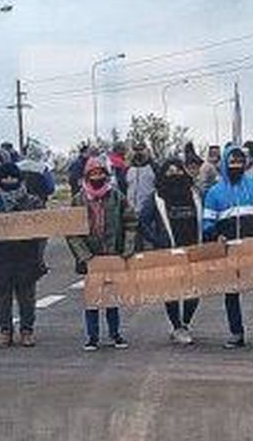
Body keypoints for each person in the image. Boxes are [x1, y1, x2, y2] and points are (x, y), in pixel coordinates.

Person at [202, 145, 253, 349]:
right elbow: (207, 222)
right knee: (231, 291)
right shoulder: (214, 192)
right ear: (226, 164)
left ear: (244, 163)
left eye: (239, 161)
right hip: (229, 249)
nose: (236, 165)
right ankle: (236, 333)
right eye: (232, 162)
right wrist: (215, 235)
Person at [67, 157, 135, 351]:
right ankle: (92, 336)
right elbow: (71, 232)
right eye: (93, 174)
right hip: (90, 257)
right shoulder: (78, 199)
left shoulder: (116, 196)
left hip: (112, 254)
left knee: (112, 297)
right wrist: (84, 255)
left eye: (101, 173)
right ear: (87, 176)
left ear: (106, 175)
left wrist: (127, 247)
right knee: (92, 298)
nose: (97, 176)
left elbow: (130, 221)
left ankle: (115, 334)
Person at [139, 157, 205, 345]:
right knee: (171, 291)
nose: (175, 174)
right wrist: (156, 240)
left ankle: (185, 322)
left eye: (178, 170)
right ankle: (176, 325)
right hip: (169, 250)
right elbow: (142, 221)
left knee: (194, 290)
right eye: (170, 171)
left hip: (193, 247)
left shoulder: (195, 193)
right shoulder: (156, 197)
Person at [0, 163, 47, 347]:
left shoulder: (33, 203)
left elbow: (43, 231)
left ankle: (27, 331)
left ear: (19, 179)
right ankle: (5, 331)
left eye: (13, 177)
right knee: (1, 298)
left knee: (27, 298)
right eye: (5, 177)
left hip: (26, 256)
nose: (9, 181)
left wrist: (39, 255)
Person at [125, 142, 157, 246]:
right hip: (131, 214)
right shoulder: (127, 169)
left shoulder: (154, 167)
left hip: (149, 214)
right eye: (136, 150)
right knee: (133, 245)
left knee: (149, 243)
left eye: (141, 150)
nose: (138, 153)